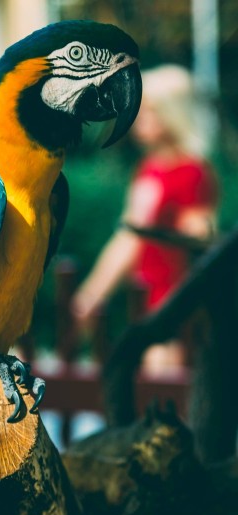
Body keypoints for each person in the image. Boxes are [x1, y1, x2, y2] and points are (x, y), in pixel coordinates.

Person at [71, 65, 219, 373]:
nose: (140, 118)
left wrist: (93, 294)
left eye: (151, 110)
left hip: (171, 302)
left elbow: (133, 239)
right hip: (154, 297)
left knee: (163, 389)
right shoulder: (156, 168)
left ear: (174, 114)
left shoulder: (184, 171)